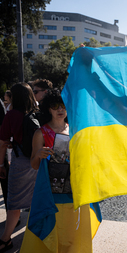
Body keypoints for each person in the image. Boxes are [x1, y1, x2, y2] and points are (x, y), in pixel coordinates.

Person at [20, 89, 100, 252]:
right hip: (50, 195)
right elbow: (34, 165)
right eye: (55, 106)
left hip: (74, 193)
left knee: (73, 238)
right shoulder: (40, 133)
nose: (60, 109)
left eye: (63, 105)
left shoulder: (76, 130)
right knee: (50, 237)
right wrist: (39, 155)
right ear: (48, 108)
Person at [0, 83, 39, 252]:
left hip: (21, 162)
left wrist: (1, 164)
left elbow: (2, 143)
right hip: (39, 160)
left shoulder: (11, 115)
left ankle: (6, 239)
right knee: (37, 199)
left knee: (14, 202)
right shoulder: (39, 113)